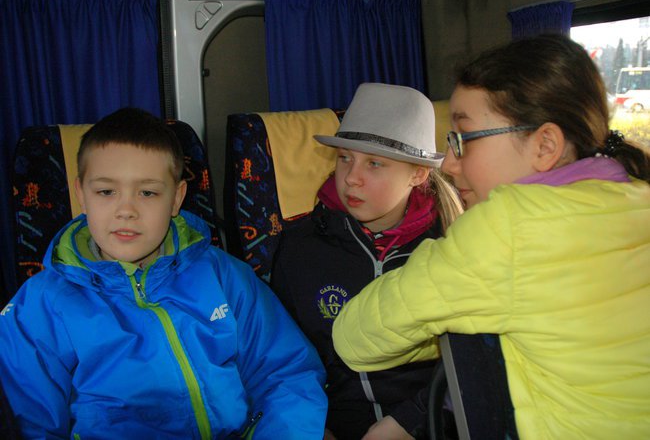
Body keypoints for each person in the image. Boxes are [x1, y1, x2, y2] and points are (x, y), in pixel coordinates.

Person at [332, 34, 650, 439]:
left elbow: (355, 339)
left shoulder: (507, 228)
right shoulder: (636, 196)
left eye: (462, 140)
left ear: (545, 145)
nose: (449, 165)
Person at [0, 107, 328, 439]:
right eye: (106, 191)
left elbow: (287, 374)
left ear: (176, 199)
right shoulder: (42, 305)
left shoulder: (224, 277)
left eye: (148, 192)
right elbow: (28, 422)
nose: (126, 210)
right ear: (81, 195)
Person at [271, 83, 463, 440]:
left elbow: (475, 363)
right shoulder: (300, 248)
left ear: (418, 174)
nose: (351, 178)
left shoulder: (453, 246)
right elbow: (282, 356)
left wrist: (411, 421)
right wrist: (311, 425)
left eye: (374, 163)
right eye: (345, 158)